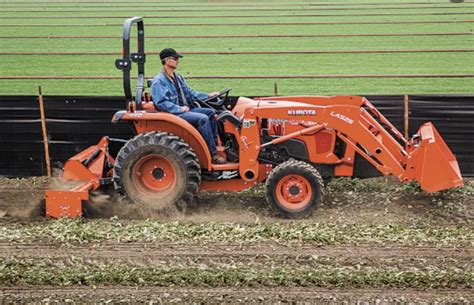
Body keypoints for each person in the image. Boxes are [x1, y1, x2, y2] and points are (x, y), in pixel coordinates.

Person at [150, 48, 227, 164]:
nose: (178, 61)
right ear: (167, 61)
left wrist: (208, 95)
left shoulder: (178, 77)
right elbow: (161, 103)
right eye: (175, 58)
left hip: (186, 109)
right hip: (175, 113)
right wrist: (179, 108)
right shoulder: (159, 81)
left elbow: (190, 93)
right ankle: (212, 154)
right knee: (202, 119)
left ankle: (214, 145)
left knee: (210, 113)